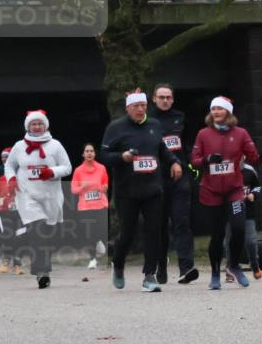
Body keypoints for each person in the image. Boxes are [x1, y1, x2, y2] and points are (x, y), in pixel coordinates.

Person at [99, 89, 182, 292]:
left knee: (154, 231)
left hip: (153, 188)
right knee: (127, 233)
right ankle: (118, 264)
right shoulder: (116, 127)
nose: (140, 109)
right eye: (135, 106)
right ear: (128, 108)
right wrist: (122, 157)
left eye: (143, 105)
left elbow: (161, 148)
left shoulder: (154, 125)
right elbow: (103, 155)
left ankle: (149, 275)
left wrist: (174, 162)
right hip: (127, 190)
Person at [191, 96, 259, 290]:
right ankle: (214, 273)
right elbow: (194, 160)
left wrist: (257, 154)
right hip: (212, 192)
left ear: (228, 112)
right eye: (214, 109)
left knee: (238, 228)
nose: (216, 112)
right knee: (217, 234)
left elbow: (253, 156)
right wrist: (207, 160)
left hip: (234, 191)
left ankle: (234, 265)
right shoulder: (203, 134)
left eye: (220, 109)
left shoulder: (240, 133)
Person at [4, 110, 72, 289]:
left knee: (51, 234)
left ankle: (35, 254)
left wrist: (52, 172)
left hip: (50, 196)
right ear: (28, 126)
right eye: (33, 124)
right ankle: (42, 272)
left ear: (46, 125)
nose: (36, 127)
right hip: (27, 195)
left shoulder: (55, 145)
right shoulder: (19, 146)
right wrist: (11, 179)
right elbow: (10, 166)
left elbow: (67, 167)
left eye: (40, 123)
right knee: (37, 229)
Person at [149, 83, 198, 284]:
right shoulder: (148, 121)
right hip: (156, 180)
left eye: (168, 97)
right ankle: (161, 265)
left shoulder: (181, 117)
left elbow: (189, 145)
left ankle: (186, 268)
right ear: (154, 98)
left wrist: (190, 166)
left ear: (173, 99)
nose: (165, 100)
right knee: (160, 226)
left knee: (182, 222)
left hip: (180, 178)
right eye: (161, 97)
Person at [70, 142, 109, 270]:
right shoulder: (78, 171)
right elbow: (73, 190)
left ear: (94, 153)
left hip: (100, 204)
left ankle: (99, 241)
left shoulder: (102, 168)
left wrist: (104, 188)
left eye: (91, 151)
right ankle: (92, 259)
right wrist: (83, 187)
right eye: (87, 151)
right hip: (85, 207)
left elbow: (105, 184)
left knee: (100, 229)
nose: (89, 153)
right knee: (89, 233)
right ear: (83, 154)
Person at [225, 160, 262, 281]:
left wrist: (253, 194)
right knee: (230, 241)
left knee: (250, 241)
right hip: (231, 212)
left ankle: (254, 264)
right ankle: (230, 269)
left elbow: (257, 186)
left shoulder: (249, 171)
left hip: (248, 213)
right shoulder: (225, 170)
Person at [0, 148, 24, 274]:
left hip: (20, 212)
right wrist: (0, 198)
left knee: (20, 237)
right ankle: (6, 259)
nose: (4, 159)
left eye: (7, 156)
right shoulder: (1, 178)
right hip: (4, 212)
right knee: (7, 236)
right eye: (3, 157)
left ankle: (17, 264)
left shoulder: (21, 176)